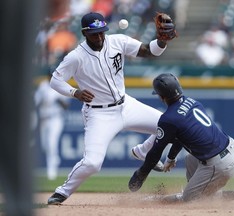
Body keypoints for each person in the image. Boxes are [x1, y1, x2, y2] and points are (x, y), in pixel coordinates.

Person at [47, 12, 176, 204]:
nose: (99, 37)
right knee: (92, 163)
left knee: (171, 125)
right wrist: (75, 92)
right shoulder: (76, 57)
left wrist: (162, 41)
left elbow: (149, 51)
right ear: (84, 33)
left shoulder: (117, 41)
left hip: (126, 105)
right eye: (94, 33)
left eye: (101, 32)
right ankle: (61, 192)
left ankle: (142, 151)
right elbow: (55, 80)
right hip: (99, 113)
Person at [128, 73, 234, 204]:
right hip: (231, 147)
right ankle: (202, 191)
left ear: (161, 97)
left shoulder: (169, 119)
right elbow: (180, 136)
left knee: (189, 200)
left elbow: (155, 153)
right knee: (190, 159)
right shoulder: (192, 102)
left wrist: (140, 175)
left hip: (219, 164)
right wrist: (171, 157)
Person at [34, 73, 70, 180]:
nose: (51, 77)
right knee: (45, 146)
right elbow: (36, 102)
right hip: (44, 119)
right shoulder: (43, 86)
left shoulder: (61, 85)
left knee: (51, 144)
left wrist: (58, 100)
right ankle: (55, 159)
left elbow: (66, 106)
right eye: (50, 75)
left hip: (56, 119)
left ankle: (52, 172)